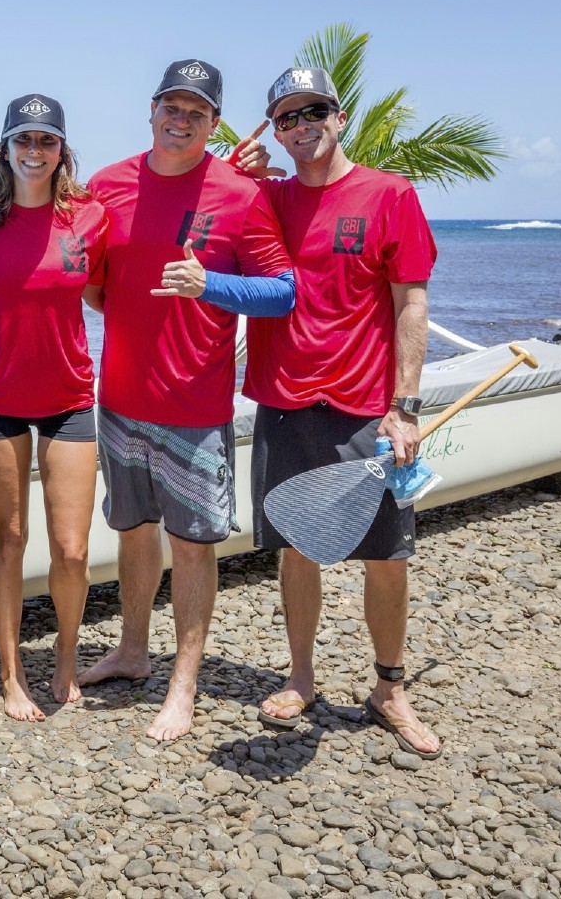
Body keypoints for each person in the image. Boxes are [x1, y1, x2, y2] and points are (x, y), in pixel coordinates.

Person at [77, 59, 295, 742]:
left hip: (195, 408)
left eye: (196, 111)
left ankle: (184, 684)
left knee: (194, 546)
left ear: (213, 123)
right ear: (151, 110)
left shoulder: (241, 191)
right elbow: (91, 280)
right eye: (171, 105)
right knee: (132, 530)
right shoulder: (108, 184)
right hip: (118, 400)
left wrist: (211, 287)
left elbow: (283, 291)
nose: (181, 118)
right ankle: (134, 651)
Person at [245, 67, 441, 759]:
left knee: (386, 554)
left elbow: (410, 302)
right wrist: (237, 171)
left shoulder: (389, 194)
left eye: (314, 111)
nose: (301, 127)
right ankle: (301, 676)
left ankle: (389, 685)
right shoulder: (265, 200)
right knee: (297, 547)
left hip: (366, 409)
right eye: (286, 118)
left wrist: (405, 406)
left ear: (341, 114)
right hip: (284, 399)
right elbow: (202, 214)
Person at [0, 94, 109, 721]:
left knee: (72, 549)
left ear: (63, 151)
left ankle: (64, 653)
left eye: (47, 141)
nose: (35, 151)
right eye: (23, 139)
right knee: (9, 538)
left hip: (70, 398)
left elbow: (113, 290)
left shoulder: (89, 219)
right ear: (5, 149)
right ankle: (10, 674)